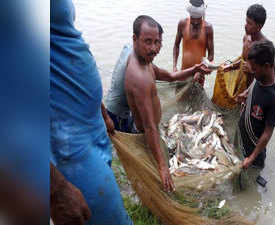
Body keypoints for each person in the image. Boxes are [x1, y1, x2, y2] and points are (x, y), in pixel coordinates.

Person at [50, 0, 133, 224]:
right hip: (66, 145)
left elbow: (66, 41)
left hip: (92, 128)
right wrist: (55, 190)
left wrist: (102, 112)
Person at [113, 15, 211, 193]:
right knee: (156, 177)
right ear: (135, 39)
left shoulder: (145, 61)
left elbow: (171, 76)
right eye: (147, 42)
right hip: (144, 134)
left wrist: (194, 69)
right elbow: (150, 127)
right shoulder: (139, 77)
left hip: (147, 128)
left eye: (157, 42)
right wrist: (163, 167)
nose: (153, 48)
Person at [236, 40, 275, 169]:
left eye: (254, 69)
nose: (252, 72)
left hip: (253, 153)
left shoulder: (274, 98)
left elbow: (267, 133)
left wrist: (251, 158)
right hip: (242, 140)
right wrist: (246, 93)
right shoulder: (259, 79)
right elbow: (253, 86)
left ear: (267, 66)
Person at [223, 4, 270, 87]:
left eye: (249, 23)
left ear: (259, 27)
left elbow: (269, 77)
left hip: (253, 89)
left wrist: (252, 71)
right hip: (241, 83)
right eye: (246, 21)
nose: (245, 25)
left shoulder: (265, 47)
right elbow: (243, 60)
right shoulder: (246, 37)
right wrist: (231, 66)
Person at [173, 0, 214, 86]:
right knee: (179, 96)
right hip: (183, 72)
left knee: (196, 96)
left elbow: (211, 55)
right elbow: (176, 45)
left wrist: (201, 71)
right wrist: (174, 66)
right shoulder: (182, 24)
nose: (195, 22)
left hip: (199, 75)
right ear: (190, 15)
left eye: (198, 20)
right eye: (193, 19)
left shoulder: (208, 28)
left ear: (202, 16)